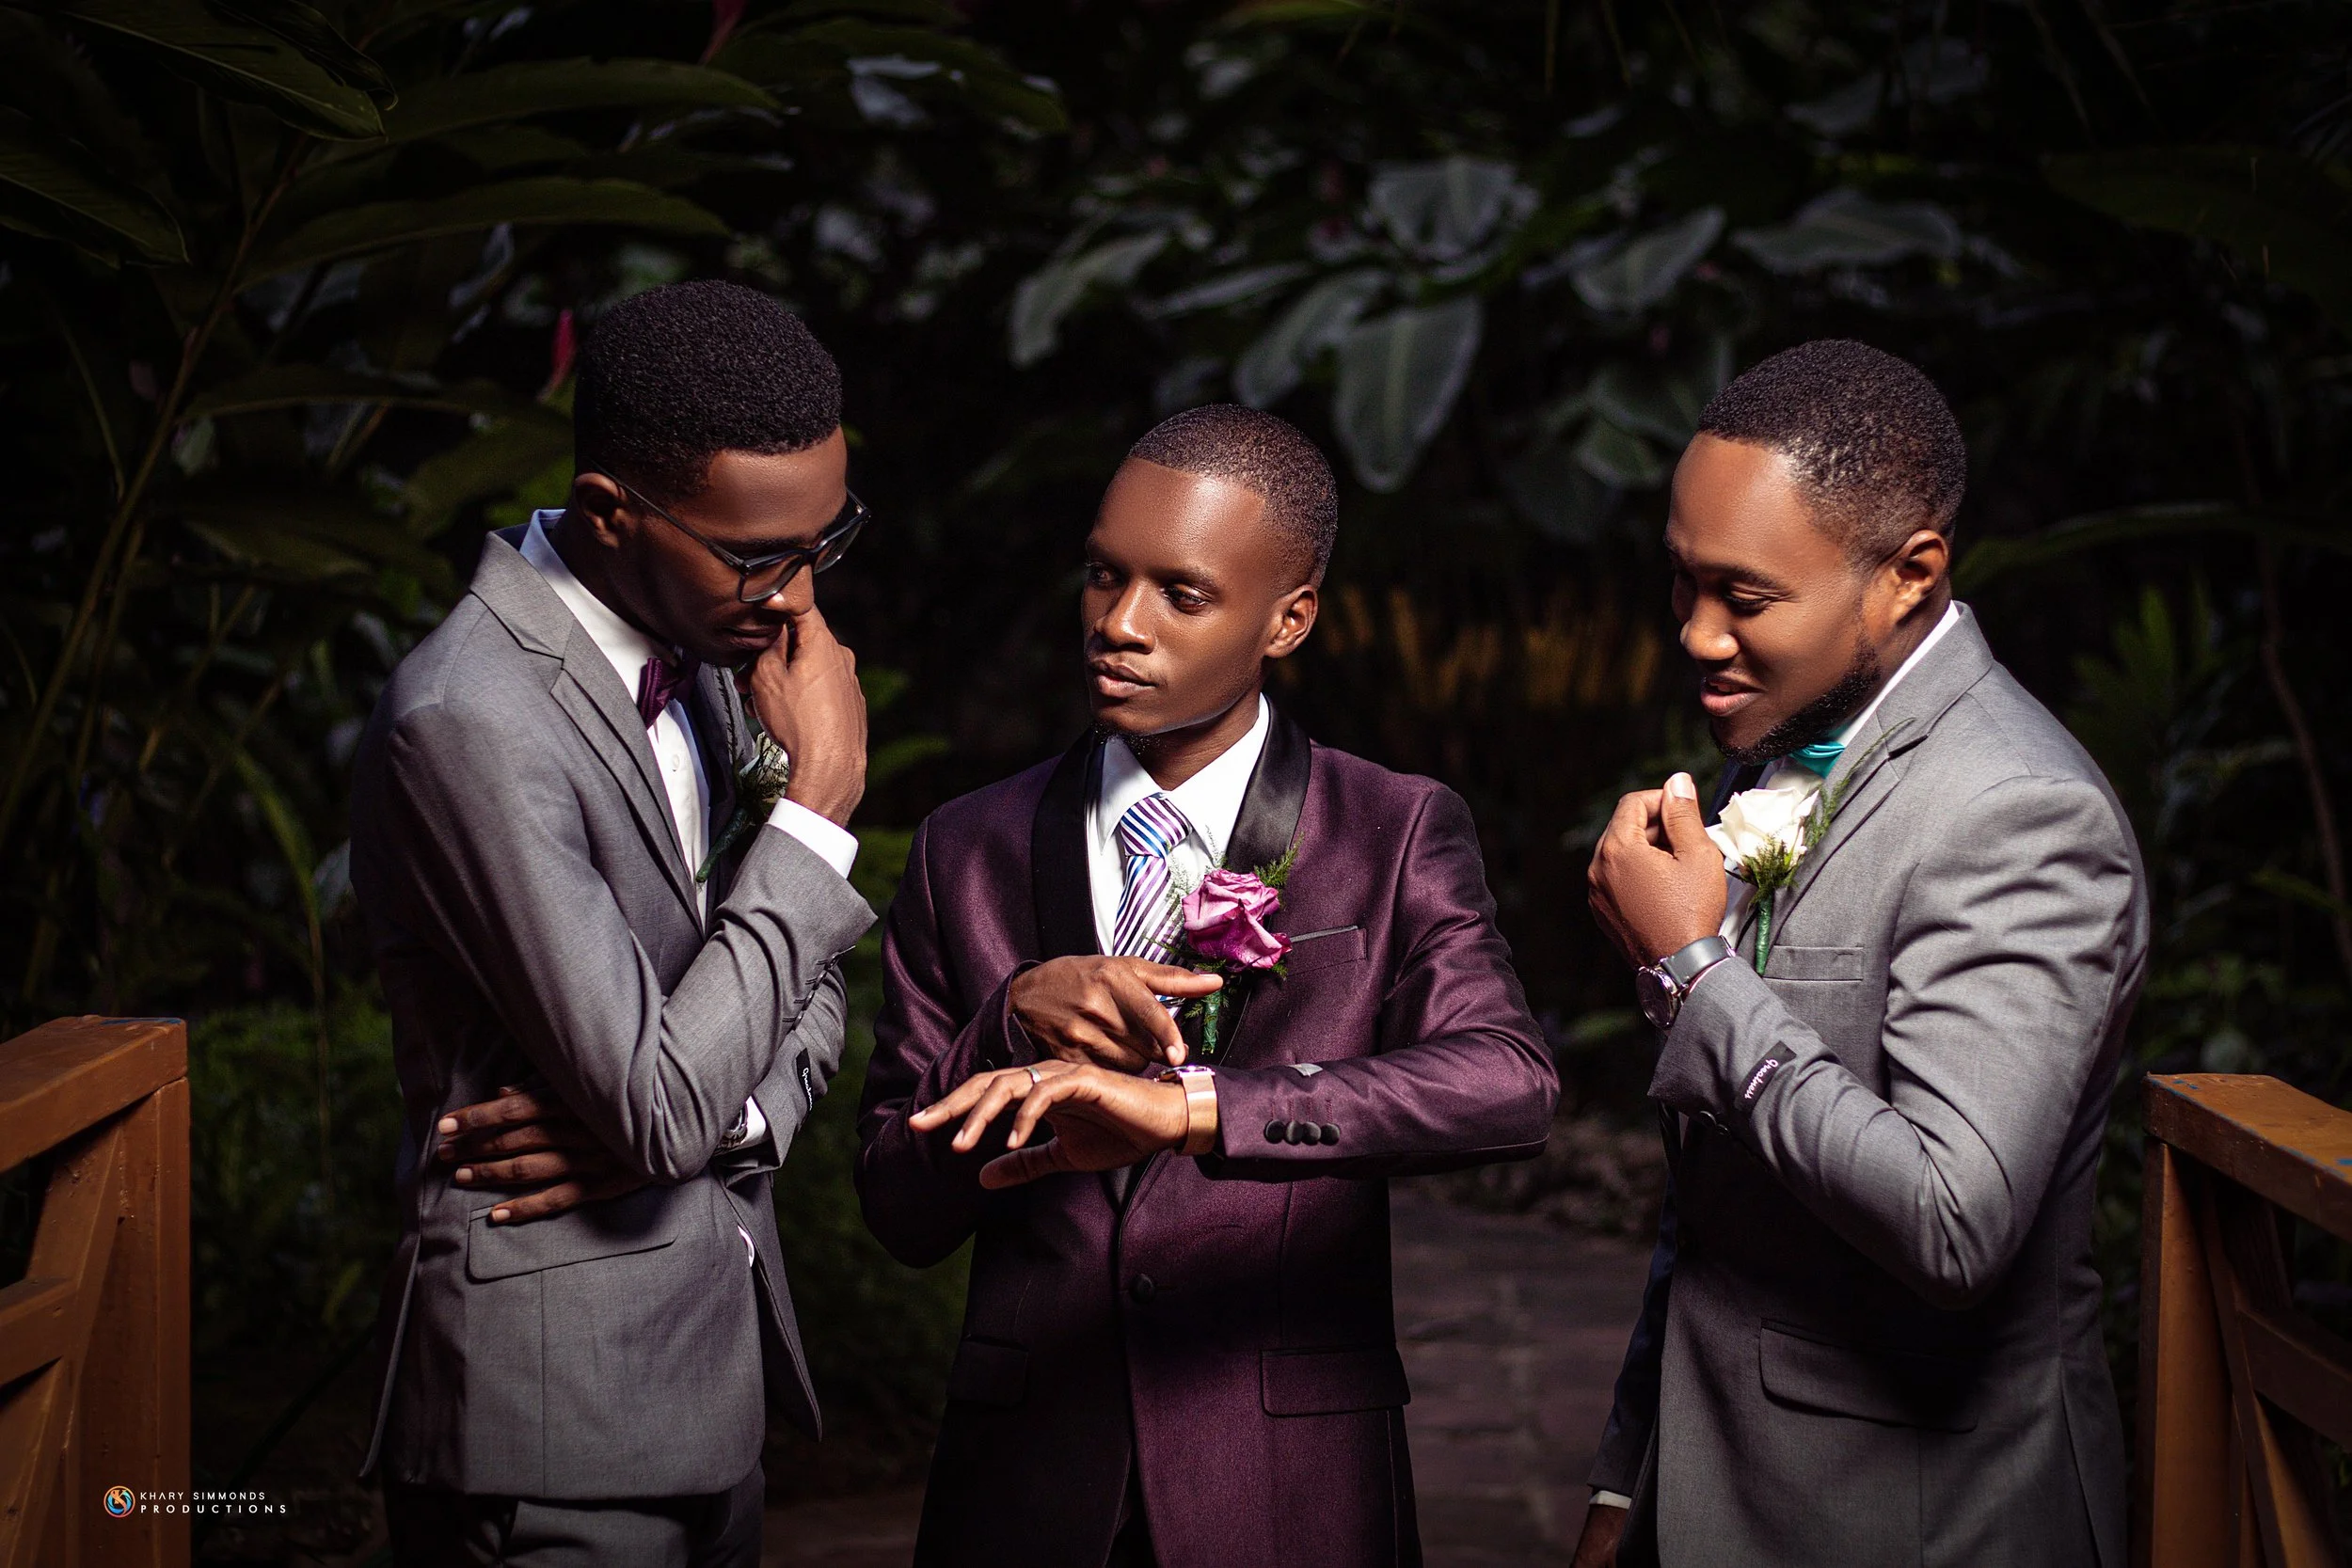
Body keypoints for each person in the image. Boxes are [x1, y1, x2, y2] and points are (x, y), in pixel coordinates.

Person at [857, 404, 1559, 1568]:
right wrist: (1006, 1021)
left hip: (1288, 1481)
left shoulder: (1389, 828)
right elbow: (896, 1204)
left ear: (1288, 617)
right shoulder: (962, 847)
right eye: (1100, 575)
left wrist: (1199, 1110)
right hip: (1025, 1487)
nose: (1117, 625)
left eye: (1179, 594)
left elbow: (1506, 1082)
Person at [1576, 341, 2147, 1567]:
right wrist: (1628, 1482)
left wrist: (1691, 967)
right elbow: (1721, 1193)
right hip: (1714, 1478)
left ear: (1910, 575)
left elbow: (1953, 1221)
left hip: (1914, 1515)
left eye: (1746, 596)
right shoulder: (1787, 742)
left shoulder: (2021, 810)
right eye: (1683, 585)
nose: (1697, 633)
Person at [349, 280, 876, 1566]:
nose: (801, 600)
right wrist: (813, 816)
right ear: (606, 513)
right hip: (549, 1422)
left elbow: (803, 977)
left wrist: (732, 1114)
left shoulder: (705, 646)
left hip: (710, 1371)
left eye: (827, 542)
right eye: (761, 555)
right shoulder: (467, 718)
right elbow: (659, 1094)